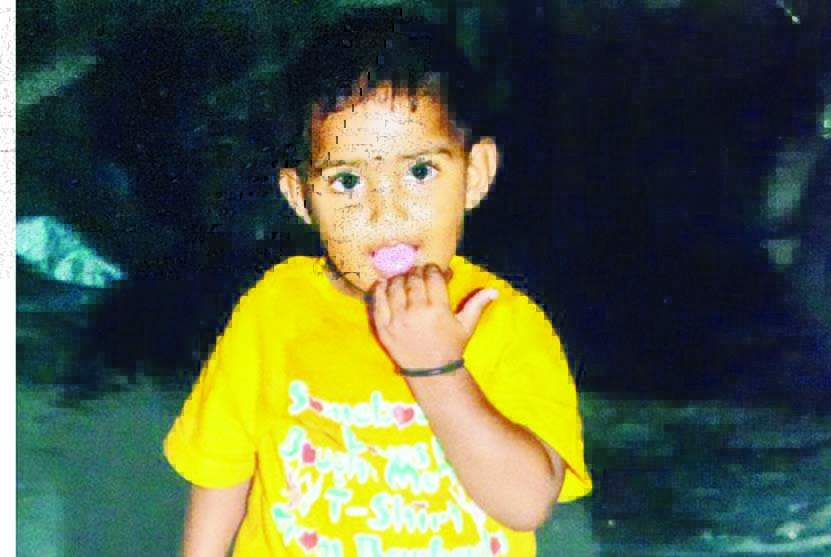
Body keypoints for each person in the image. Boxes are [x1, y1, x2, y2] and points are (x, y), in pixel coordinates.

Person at [164, 7, 592, 556]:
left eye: (419, 172)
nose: (384, 211)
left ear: (475, 174)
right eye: (347, 181)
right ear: (300, 197)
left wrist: (437, 369)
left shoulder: (502, 320)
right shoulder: (274, 310)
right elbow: (220, 466)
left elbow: (526, 505)